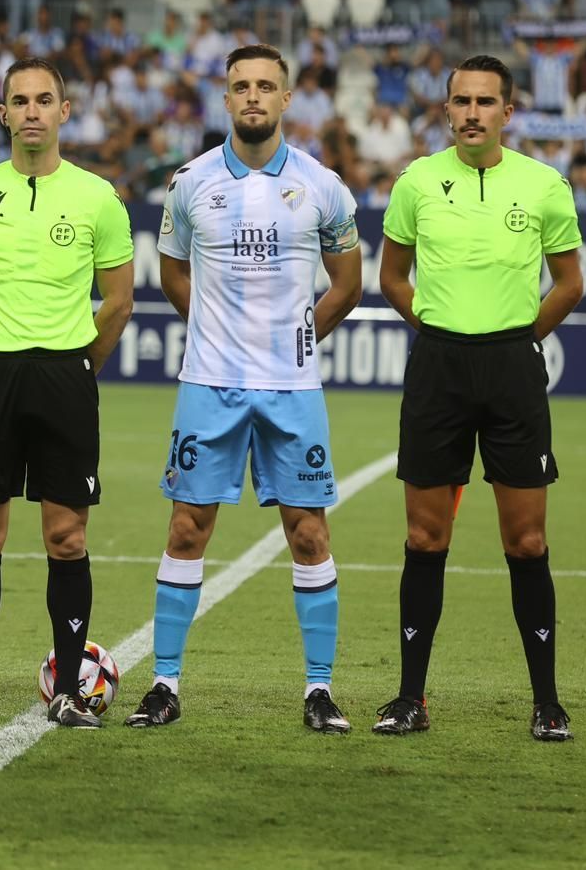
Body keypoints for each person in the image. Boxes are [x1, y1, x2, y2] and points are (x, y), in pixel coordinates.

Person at [127, 45, 363, 732]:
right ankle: (165, 683)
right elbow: (173, 274)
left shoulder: (323, 186)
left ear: (287, 99)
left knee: (309, 534)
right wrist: (214, 329)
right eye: (240, 87)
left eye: (266, 86)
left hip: (292, 389)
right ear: (225, 100)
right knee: (186, 527)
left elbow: (347, 284)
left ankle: (319, 690)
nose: (253, 96)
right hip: (210, 385)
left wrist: (300, 334)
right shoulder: (190, 182)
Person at [375, 54, 584, 741]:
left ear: (507, 112)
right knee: (423, 536)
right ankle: (410, 698)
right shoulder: (417, 182)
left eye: (485, 102)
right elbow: (393, 276)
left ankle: (547, 702)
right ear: (446, 111)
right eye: (461, 101)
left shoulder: (545, 185)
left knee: (527, 540)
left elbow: (569, 282)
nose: (472, 113)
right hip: (438, 369)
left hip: (512, 373)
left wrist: (521, 338)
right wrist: (438, 327)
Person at [0, 57, 135, 729]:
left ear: (65, 111)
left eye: (46, 99)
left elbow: (119, 301)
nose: (34, 111)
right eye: (21, 100)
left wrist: (78, 366)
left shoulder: (98, 197)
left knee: (66, 536)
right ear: (4, 113)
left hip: (63, 379)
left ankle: (70, 693)